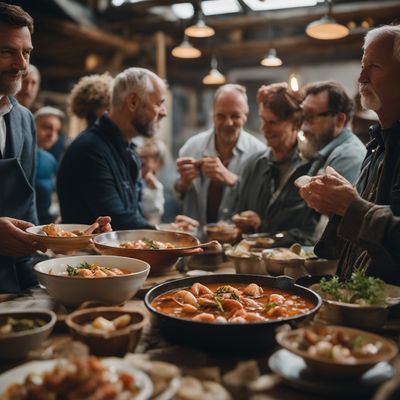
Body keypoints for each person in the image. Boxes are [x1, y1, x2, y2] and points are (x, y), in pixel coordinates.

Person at [0, 4, 111, 293]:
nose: (22, 65)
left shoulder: (24, 120)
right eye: (7, 51)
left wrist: (68, 241)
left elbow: (29, 211)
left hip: (17, 283)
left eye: (26, 52)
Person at [299, 25, 400, 285]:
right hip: (360, 301)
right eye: (362, 66)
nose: (362, 77)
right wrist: (339, 203)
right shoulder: (378, 142)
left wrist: (349, 205)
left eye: (374, 67)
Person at [232, 82, 366, 244]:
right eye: (302, 117)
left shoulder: (347, 156)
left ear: (339, 120)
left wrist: (264, 229)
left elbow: (321, 230)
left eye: (309, 117)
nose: (303, 126)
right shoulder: (320, 155)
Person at [57, 67, 167, 230]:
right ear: (133, 102)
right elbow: (118, 221)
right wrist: (167, 235)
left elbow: (134, 214)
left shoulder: (129, 150)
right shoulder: (89, 149)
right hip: (86, 256)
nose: (163, 112)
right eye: (158, 103)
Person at [175, 84, 266, 226]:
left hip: (239, 245)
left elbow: (261, 204)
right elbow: (177, 195)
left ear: (245, 116)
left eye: (235, 116)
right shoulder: (191, 148)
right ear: (213, 116)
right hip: (194, 240)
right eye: (221, 116)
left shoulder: (259, 153)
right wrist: (182, 184)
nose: (228, 122)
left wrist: (232, 179)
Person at [34, 106, 64, 224]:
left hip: (44, 226)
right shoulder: (18, 156)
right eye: (47, 127)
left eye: (57, 131)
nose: (52, 135)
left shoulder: (50, 159)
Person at [137, 138, 165, 225]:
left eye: (153, 159)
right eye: (143, 157)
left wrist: (153, 189)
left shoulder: (156, 186)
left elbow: (156, 213)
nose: (146, 162)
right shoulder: (134, 182)